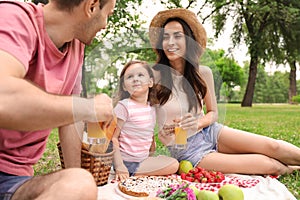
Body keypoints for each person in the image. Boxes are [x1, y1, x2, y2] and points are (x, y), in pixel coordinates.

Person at [148, 8, 300, 176]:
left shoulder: (203, 73)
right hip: (187, 149)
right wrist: (156, 135)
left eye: (177, 36)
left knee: (273, 147)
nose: (170, 42)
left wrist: (197, 123)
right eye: (165, 37)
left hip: (210, 132)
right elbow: (140, 116)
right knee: (270, 166)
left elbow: (213, 113)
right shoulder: (153, 76)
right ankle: (292, 170)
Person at [0, 0, 116, 199]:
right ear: (91, 6)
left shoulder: (76, 46)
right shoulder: (13, 16)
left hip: (13, 179)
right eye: (108, 14)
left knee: (79, 183)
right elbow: (4, 97)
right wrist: (87, 107)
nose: (105, 24)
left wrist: (81, 188)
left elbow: (70, 118)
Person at [112, 60, 179, 181]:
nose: (135, 79)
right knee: (174, 164)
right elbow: (113, 137)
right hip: (127, 161)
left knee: (169, 161)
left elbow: (150, 135)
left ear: (150, 82)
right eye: (130, 77)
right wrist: (119, 165)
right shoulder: (124, 106)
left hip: (143, 160)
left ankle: (142, 172)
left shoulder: (152, 108)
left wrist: (151, 156)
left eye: (140, 75)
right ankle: (135, 174)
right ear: (124, 86)